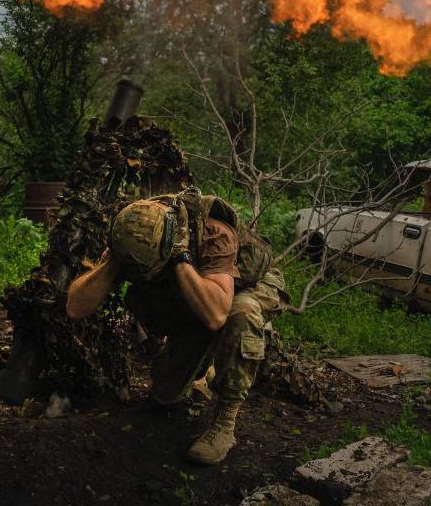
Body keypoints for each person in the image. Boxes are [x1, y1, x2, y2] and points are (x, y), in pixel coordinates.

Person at [65, 190, 285, 465]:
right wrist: (112, 263)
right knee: (165, 396)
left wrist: (181, 257)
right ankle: (203, 360)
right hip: (202, 291)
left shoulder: (213, 233)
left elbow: (217, 313)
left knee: (240, 314)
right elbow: (75, 308)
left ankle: (225, 420)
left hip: (245, 286)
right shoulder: (133, 232)